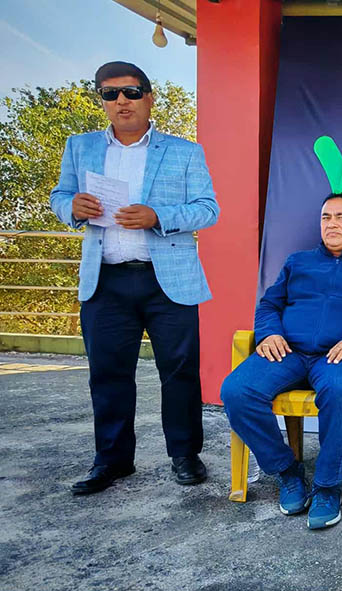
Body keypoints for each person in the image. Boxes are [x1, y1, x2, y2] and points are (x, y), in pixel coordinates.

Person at [50, 61, 219, 495]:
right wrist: (71, 208)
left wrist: (157, 216)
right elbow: (59, 196)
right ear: (102, 100)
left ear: (149, 97)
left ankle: (185, 454)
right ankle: (112, 460)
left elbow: (208, 209)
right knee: (107, 374)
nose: (121, 101)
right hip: (105, 282)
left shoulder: (184, 152)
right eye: (110, 94)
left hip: (168, 281)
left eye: (130, 92)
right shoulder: (80, 147)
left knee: (180, 371)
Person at [220, 192, 342, 530]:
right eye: (326, 217)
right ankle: (287, 472)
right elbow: (269, 305)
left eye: (341, 217)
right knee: (236, 391)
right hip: (286, 351)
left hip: (338, 355)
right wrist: (269, 333)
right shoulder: (298, 262)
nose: (332, 224)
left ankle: (327, 488)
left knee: (339, 392)